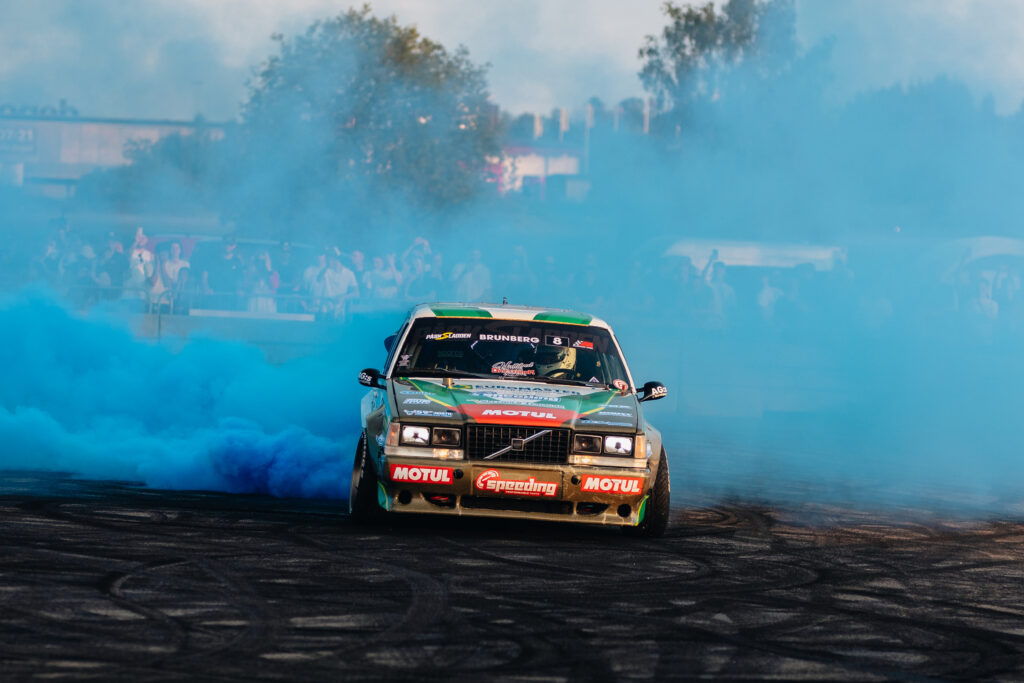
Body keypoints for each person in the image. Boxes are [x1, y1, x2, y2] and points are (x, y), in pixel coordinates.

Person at [202, 236, 246, 309]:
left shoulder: (237, 262)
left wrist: (240, 289)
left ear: (234, 246)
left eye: (230, 244)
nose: (228, 246)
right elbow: (205, 274)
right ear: (222, 244)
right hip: (214, 297)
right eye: (226, 243)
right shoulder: (213, 260)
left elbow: (242, 278)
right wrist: (206, 288)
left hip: (231, 298)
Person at [321, 254, 359, 319]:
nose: (329, 261)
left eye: (332, 259)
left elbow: (356, 293)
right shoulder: (327, 271)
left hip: (340, 310)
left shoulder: (349, 273)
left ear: (338, 260)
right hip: (325, 310)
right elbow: (318, 280)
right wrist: (326, 267)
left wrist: (343, 297)